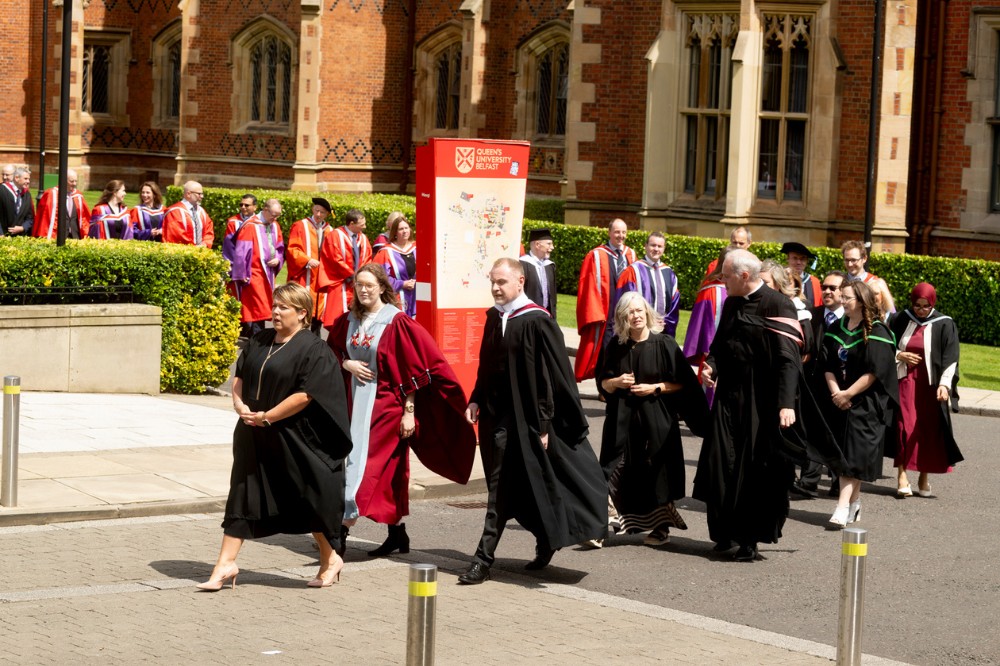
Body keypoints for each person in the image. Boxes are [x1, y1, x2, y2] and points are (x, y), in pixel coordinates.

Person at [458, 258, 607, 584]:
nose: (496, 288)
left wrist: (543, 425)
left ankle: (483, 559)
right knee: (509, 486)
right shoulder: (495, 318)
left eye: (502, 282)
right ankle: (543, 536)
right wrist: (476, 397)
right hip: (497, 417)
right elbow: (487, 364)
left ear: (520, 282)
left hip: (528, 421)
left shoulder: (537, 321)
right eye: (493, 282)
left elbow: (550, 378)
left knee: (507, 488)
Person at [197, 283, 352, 591]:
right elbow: (240, 375)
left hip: (293, 438)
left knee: (306, 499)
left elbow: (306, 395)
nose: (276, 312)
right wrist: (240, 405)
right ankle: (225, 564)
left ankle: (330, 558)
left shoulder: (313, 348)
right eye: (275, 305)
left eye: (284, 307)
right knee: (242, 493)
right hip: (253, 434)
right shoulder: (260, 339)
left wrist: (268, 417)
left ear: (302, 313)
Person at [692, 249, 842, 561]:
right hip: (728, 398)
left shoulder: (778, 304)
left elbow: (789, 360)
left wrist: (786, 404)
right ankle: (723, 531)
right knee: (719, 464)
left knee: (754, 470)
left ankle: (749, 540)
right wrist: (712, 366)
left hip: (761, 402)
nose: (721, 279)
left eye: (727, 275)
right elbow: (721, 342)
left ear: (744, 276)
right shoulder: (732, 300)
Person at [329, 263, 476, 557]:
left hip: (386, 409)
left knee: (363, 470)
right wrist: (347, 363)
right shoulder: (348, 320)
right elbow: (331, 351)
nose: (364, 290)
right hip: (351, 405)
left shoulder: (397, 322)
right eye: (359, 285)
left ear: (383, 287)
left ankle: (339, 532)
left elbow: (415, 370)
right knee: (386, 473)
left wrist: (409, 412)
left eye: (370, 285)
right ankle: (397, 534)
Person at [598, 293, 709, 546]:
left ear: (647, 313)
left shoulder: (665, 344)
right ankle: (600, 525)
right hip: (621, 420)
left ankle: (660, 528)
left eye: (639, 311)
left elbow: (684, 383)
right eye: (630, 312)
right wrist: (616, 382)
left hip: (655, 421)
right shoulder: (616, 345)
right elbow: (602, 383)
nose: (635, 316)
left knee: (655, 473)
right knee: (612, 469)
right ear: (622, 317)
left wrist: (655, 387)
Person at [822, 280, 899, 527]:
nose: (842, 301)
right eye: (841, 297)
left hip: (866, 403)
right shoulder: (836, 327)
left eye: (847, 298)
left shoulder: (878, 331)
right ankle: (854, 504)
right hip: (839, 401)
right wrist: (836, 392)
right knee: (845, 455)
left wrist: (848, 394)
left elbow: (875, 372)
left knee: (853, 457)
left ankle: (842, 507)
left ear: (861, 301)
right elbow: (827, 365)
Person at [890, 282, 963, 498]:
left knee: (928, 430)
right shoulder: (901, 319)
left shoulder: (945, 323)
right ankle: (902, 476)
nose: (921, 310)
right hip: (906, 380)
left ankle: (923, 477)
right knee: (905, 427)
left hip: (931, 385)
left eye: (925, 306)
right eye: (917, 305)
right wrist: (899, 355)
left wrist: (945, 385)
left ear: (933, 303)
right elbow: (885, 344)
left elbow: (951, 357)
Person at [794, 270, 849, 497]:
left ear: (843, 291)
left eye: (832, 288)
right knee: (811, 432)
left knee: (838, 434)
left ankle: (838, 480)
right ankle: (809, 480)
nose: (826, 291)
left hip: (840, 387)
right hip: (812, 384)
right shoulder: (811, 315)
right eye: (824, 287)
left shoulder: (850, 320)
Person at [574, 218, 637, 381]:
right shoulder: (596, 255)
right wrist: (595, 312)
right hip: (605, 312)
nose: (620, 235)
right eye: (617, 232)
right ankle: (603, 384)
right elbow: (587, 285)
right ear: (609, 233)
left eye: (623, 232)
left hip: (625, 311)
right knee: (605, 348)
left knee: (624, 347)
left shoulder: (631, 254)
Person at [683, 245, 732, 406]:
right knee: (710, 389)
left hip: (735, 349)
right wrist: (708, 348)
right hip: (713, 350)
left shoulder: (741, 289)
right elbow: (702, 322)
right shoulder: (711, 289)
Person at [230, 198, 285, 338]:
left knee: (264, 305)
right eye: (273, 214)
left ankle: (257, 337)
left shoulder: (275, 225)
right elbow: (241, 252)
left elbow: (280, 248)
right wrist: (241, 273)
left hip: (269, 273)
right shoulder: (250, 226)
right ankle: (258, 338)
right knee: (257, 306)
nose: (275, 218)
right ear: (265, 210)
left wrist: (277, 260)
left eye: (278, 215)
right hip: (254, 272)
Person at [617, 231, 680, 336]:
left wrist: (665, 321)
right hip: (639, 331)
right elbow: (626, 303)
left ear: (664, 248)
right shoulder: (633, 271)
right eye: (653, 245)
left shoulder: (669, 273)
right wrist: (648, 320)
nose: (656, 249)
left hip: (663, 328)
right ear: (645, 246)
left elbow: (675, 302)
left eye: (660, 246)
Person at [318, 208, 372, 327]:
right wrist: (351, 277)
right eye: (362, 224)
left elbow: (367, 258)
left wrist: (362, 278)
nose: (365, 227)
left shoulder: (363, 238)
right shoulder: (335, 236)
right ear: (351, 224)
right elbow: (335, 259)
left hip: (358, 284)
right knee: (339, 321)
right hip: (340, 283)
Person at [286, 197, 332, 333]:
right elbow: (292, 249)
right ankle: (298, 336)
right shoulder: (300, 226)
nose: (318, 215)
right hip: (305, 275)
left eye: (322, 212)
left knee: (319, 310)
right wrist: (306, 260)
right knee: (302, 306)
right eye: (317, 210)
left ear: (327, 214)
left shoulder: (329, 230)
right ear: (312, 209)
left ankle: (315, 339)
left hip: (321, 278)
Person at [372, 212, 417, 319]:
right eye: (401, 229)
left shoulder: (417, 248)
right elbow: (379, 278)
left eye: (406, 228)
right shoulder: (385, 252)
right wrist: (402, 284)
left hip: (419, 296)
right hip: (397, 298)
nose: (405, 231)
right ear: (395, 232)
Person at [33, 169, 90, 240]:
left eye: (76, 181)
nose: (74, 184)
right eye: (71, 181)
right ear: (63, 180)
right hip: (57, 237)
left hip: (75, 236)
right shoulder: (51, 194)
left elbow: (85, 218)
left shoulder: (78, 196)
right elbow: (44, 217)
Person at [841, 240, 894, 313]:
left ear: (864, 259)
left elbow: (891, 311)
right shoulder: (839, 282)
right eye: (847, 260)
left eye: (854, 260)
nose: (850, 264)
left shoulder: (876, 283)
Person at [162, 180, 214, 248]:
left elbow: (209, 231)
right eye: (199, 194)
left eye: (202, 194)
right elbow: (177, 236)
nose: (202, 196)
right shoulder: (174, 212)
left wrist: (205, 244)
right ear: (188, 194)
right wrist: (194, 248)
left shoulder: (202, 211)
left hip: (202, 254)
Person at [519, 228, 557, 318]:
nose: (552, 247)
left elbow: (553, 296)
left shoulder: (550, 266)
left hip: (547, 316)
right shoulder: (522, 264)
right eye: (549, 244)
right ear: (537, 245)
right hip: (527, 316)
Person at [782, 242, 821, 307]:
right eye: (795, 258)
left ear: (807, 261)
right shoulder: (780, 279)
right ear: (788, 259)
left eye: (802, 259)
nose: (798, 262)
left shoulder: (814, 282)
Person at [0, 166, 34, 237]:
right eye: (25, 179)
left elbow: (30, 217)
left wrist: (23, 228)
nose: (28, 181)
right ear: (16, 178)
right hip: (3, 236)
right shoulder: (2, 190)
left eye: (29, 179)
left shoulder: (27, 195)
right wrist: (1, 234)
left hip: (20, 238)